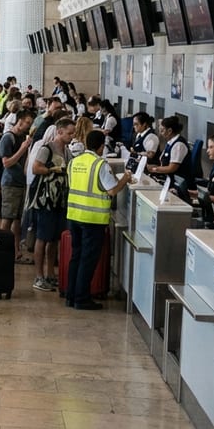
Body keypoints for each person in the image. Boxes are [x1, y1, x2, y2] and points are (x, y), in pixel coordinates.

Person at [66, 130, 133, 310]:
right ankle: (82, 299)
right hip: (93, 219)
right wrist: (125, 179)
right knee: (88, 260)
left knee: (76, 256)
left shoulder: (74, 162)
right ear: (102, 146)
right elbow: (111, 191)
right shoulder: (99, 164)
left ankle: (71, 296)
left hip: (74, 215)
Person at [28, 119, 75, 292]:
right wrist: (52, 170)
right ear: (60, 131)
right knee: (42, 237)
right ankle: (39, 276)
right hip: (45, 201)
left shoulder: (68, 152)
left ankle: (50, 274)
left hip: (60, 200)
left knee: (55, 238)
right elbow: (35, 168)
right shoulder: (46, 149)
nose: (72, 136)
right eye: (69, 133)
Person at [0, 110, 36, 262]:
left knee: (17, 219)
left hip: (20, 181)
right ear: (19, 120)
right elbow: (6, 162)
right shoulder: (8, 138)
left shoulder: (21, 137)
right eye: (27, 122)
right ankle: (0, 249)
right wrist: (23, 149)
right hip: (10, 183)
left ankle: (15, 251)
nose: (28, 126)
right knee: (7, 218)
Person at [146, 116, 194, 188]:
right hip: (168, 179)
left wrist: (154, 169)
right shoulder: (170, 143)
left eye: (162, 131)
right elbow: (163, 164)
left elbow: (171, 168)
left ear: (169, 131)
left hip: (178, 184)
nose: (160, 134)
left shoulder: (178, 145)